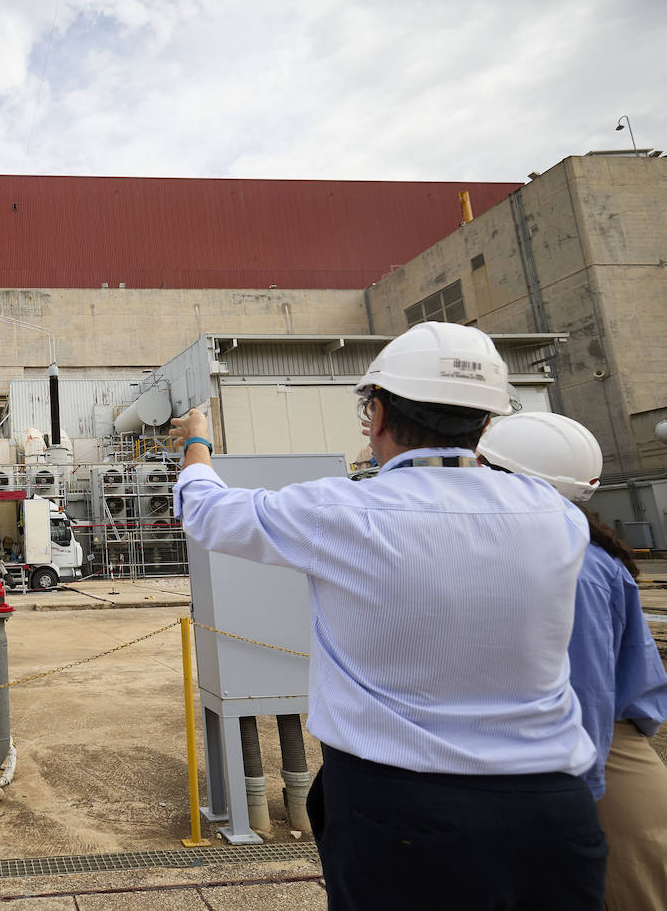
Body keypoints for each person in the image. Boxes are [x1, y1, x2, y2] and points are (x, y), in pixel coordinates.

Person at [170, 322, 605, 910]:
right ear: (487, 421)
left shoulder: (338, 511)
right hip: (552, 810)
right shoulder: (555, 516)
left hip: (401, 810)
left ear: (375, 413)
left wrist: (200, 442)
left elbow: (208, 510)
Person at [478, 412, 667, 910]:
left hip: (598, 755)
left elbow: (585, 693)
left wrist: (570, 797)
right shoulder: (566, 547)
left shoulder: (569, 565)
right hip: (589, 748)